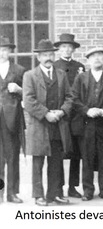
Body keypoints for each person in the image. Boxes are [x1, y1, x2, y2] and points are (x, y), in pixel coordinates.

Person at [23, 39, 73, 206]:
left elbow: (69, 97)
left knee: (56, 162)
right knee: (38, 162)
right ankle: (38, 195)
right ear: (38, 57)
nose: (48, 57)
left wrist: (62, 111)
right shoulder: (30, 75)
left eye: (51, 54)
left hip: (58, 125)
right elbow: (29, 101)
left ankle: (56, 194)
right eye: (44, 55)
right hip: (39, 125)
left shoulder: (61, 74)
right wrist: (45, 114)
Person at [71, 47, 103, 201]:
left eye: (100, 56)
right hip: (86, 123)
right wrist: (86, 110)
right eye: (93, 56)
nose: (97, 59)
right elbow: (74, 99)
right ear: (88, 60)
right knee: (87, 157)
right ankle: (88, 190)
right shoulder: (81, 78)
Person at [53, 33, 85, 199]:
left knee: (76, 153)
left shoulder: (80, 66)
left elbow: (81, 90)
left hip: (77, 115)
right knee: (59, 152)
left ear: (73, 49)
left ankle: (73, 186)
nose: (67, 49)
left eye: (69, 47)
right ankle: (58, 187)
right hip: (61, 114)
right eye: (63, 46)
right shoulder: (54, 65)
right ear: (59, 49)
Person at [0, 37, 25, 204]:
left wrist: (19, 89)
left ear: (10, 52)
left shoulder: (19, 70)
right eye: (0, 49)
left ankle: (12, 193)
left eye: (5, 49)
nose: (2, 53)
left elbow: (29, 93)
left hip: (13, 116)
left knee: (12, 155)